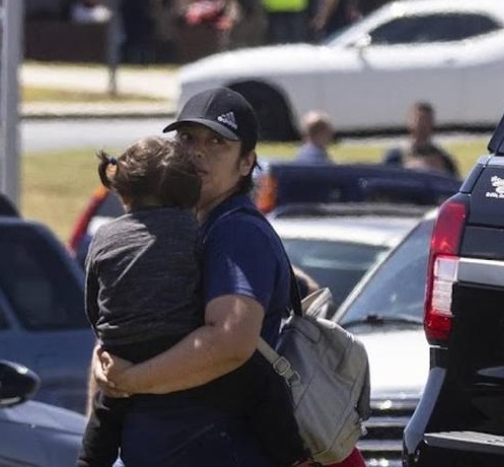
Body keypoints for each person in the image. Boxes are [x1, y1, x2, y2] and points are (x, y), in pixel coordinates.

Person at [93, 87, 337, 466]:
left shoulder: (235, 232)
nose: (197, 152)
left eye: (217, 142)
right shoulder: (177, 228)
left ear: (246, 163)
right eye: (187, 138)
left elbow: (231, 340)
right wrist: (107, 363)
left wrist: (130, 380)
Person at [383, 102, 459, 178]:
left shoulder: (444, 160)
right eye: (418, 121)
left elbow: (454, 186)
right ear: (409, 123)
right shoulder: (395, 157)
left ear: (432, 124)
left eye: (426, 121)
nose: (421, 126)